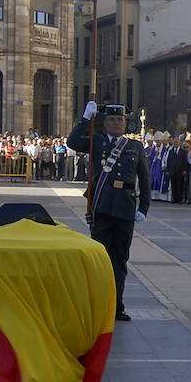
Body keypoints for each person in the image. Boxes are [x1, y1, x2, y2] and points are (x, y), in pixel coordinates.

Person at [67, 102, 151, 321]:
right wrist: (86, 119)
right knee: (99, 259)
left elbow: (144, 178)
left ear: (125, 123)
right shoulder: (97, 142)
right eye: (112, 119)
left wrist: (143, 208)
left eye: (120, 119)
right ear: (104, 123)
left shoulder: (134, 147)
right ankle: (98, 306)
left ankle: (116, 306)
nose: (116, 122)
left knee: (120, 260)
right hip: (102, 207)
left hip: (125, 208)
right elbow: (73, 141)